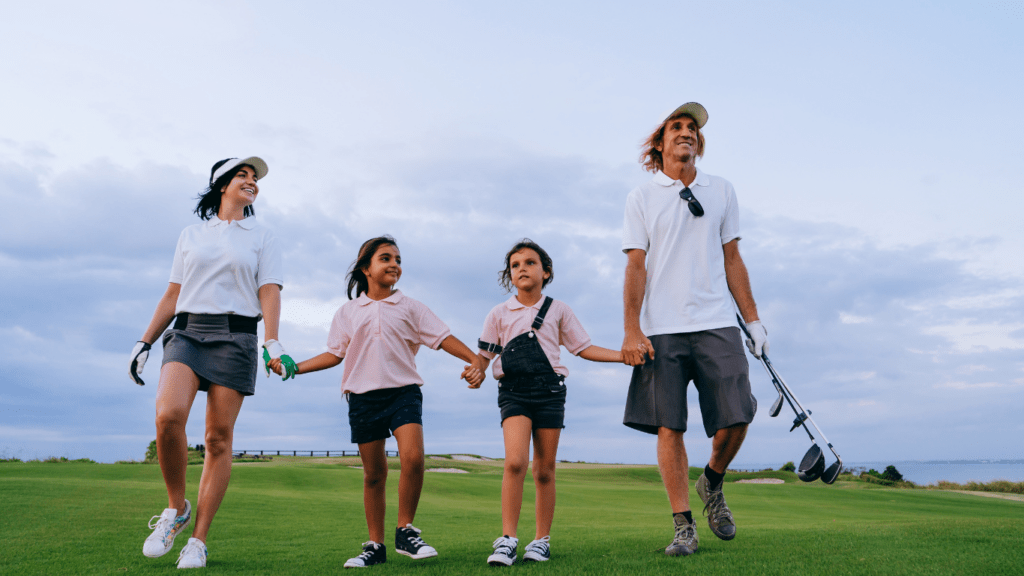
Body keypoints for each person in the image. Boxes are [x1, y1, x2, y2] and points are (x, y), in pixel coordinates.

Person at [269, 235, 486, 569]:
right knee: (374, 474)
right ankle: (375, 546)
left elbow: (442, 338)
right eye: (386, 258)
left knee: (413, 457)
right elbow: (334, 353)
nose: (394, 264)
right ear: (365, 267)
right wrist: (296, 367)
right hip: (362, 397)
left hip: (403, 391)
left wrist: (475, 360)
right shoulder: (348, 312)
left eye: (398, 259)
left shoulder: (411, 307)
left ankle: (405, 531)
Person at [129, 156, 294, 569]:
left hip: (237, 336)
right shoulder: (191, 234)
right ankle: (175, 510)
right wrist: (144, 341)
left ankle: (197, 540)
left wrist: (272, 342)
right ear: (222, 184)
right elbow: (173, 293)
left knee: (218, 439)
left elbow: (269, 291)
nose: (251, 181)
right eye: (243, 175)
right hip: (187, 332)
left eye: (255, 178)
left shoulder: (263, 236)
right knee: (168, 416)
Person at [620, 103, 768, 557]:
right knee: (671, 427)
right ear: (660, 144)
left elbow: (733, 259)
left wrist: (755, 320)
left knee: (739, 413)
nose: (686, 132)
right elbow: (635, 264)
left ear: (698, 144)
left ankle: (713, 482)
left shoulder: (721, 189)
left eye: (692, 129)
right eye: (677, 127)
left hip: (717, 321)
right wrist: (631, 329)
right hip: (662, 328)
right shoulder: (642, 197)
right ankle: (684, 526)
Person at [474, 239, 624, 566]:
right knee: (515, 462)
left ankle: (541, 541)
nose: (522, 269)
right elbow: (483, 357)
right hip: (513, 391)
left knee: (544, 469)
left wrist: (622, 357)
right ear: (509, 276)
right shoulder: (498, 313)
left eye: (529, 263)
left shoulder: (559, 310)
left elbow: (582, 348)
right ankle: (507, 540)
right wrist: (476, 372)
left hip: (551, 391)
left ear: (546, 271)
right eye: (515, 265)